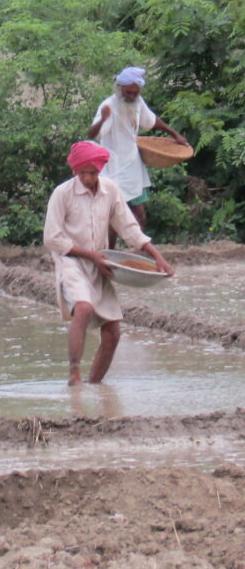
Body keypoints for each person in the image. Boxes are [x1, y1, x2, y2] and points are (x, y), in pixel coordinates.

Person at [43, 141, 174, 387]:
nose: (88, 178)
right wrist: (90, 255)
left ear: (100, 171)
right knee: (83, 308)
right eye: (82, 173)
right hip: (72, 261)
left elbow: (128, 227)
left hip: (100, 263)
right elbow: (52, 238)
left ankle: (94, 384)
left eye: (93, 173)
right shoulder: (63, 194)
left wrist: (157, 257)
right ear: (74, 170)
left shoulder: (110, 190)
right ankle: (74, 374)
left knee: (113, 331)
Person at [87, 66, 189, 247]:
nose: (132, 95)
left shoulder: (138, 103)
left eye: (135, 92)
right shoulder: (108, 106)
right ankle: (111, 253)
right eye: (129, 92)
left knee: (140, 215)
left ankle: (139, 252)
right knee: (113, 217)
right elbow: (92, 134)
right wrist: (102, 119)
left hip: (133, 167)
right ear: (120, 88)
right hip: (112, 169)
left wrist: (175, 134)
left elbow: (152, 120)